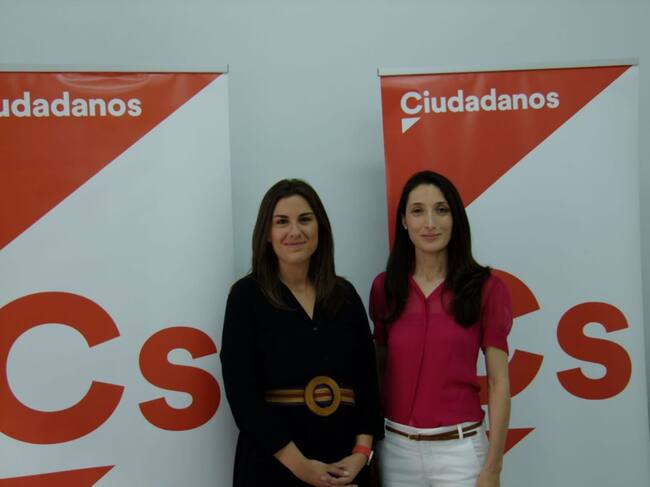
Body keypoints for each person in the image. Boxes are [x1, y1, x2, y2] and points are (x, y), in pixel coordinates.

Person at [221, 178, 383, 487]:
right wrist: (301, 467)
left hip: (345, 465)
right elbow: (242, 395)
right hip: (272, 466)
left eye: (305, 219)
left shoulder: (346, 296)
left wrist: (361, 454)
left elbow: (367, 382)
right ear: (266, 234)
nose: (295, 231)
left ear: (321, 228)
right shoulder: (246, 296)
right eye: (282, 221)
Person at [369, 170, 512, 487]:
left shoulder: (486, 288)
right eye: (418, 211)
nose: (430, 223)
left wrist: (493, 468)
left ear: (455, 218)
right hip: (396, 452)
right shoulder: (384, 288)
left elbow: (499, 382)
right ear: (404, 221)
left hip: (461, 453)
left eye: (441, 210)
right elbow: (378, 373)